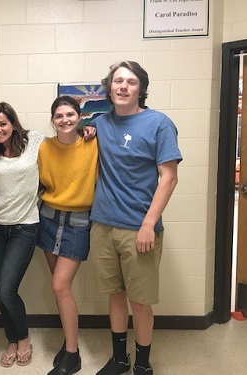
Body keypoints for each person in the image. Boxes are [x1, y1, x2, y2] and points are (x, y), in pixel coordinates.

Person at [90, 61, 182, 375]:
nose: (123, 86)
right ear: (109, 87)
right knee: (115, 295)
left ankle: (142, 364)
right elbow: (76, 130)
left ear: (140, 88)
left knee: (140, 302)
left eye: (130, 81)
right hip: (103, 224)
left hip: (139, 229)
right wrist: (81, 128)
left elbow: (168, 178)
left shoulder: (159, 123)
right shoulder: (100, 122)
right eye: (118, 81)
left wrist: (147, 224)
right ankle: (119, 359)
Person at [37, 95, 99, 375]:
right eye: (59, 116)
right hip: (48, 217)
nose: (65, 120)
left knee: (60, 286)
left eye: (70, 115)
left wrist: (94, 126)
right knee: (59, 288)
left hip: (78, 221)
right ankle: (69, 342)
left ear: (80, 117)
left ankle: (72, 356)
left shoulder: (92, 143)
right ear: (52, 120)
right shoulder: (45, 147)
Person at [0, 102, 45, 368]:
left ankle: (24, 337)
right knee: (1, 288)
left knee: (8, 288)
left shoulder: (34, 142)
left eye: (3, 124)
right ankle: (11, 339)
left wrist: (91, 129)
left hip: (24, 227)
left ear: (14, 124)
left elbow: (67, 137)